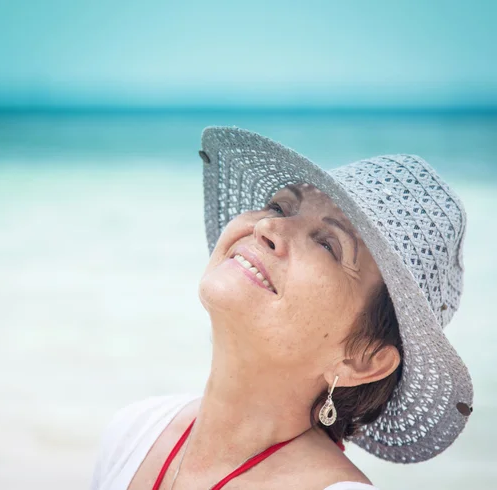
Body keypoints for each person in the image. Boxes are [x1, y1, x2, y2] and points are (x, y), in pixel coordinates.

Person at [92, 127, 474, 490]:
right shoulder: (135, 431)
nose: (269, 229)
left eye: (329, 245)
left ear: (363, 359)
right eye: (279, 206)